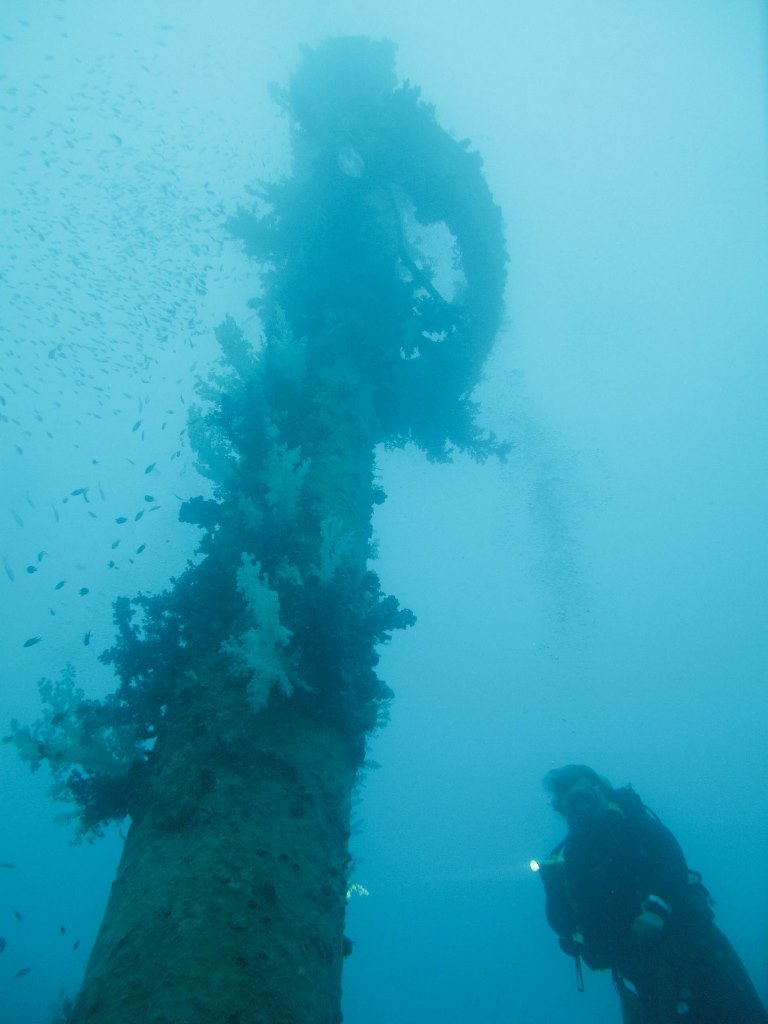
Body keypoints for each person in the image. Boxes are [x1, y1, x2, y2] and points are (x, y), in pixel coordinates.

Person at [537, 764, 768, 1023]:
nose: (580, 810)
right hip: (646, 975)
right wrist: (553, 888)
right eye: (570, 805)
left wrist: (657, 908)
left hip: (699, 954)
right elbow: (567, 926)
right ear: (560, 809)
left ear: (601, 792)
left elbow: (672, 863)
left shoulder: (637, 824)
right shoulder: (572, 858)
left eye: (585, 798)